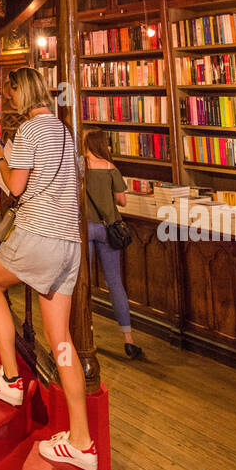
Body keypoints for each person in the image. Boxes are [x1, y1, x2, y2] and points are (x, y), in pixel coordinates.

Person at [0, 66, 97, 470]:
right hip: (69, 243)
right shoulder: (64, 131)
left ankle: (10, 379)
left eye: (10, 93)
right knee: (60, 339)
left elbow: (15, 188)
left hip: (38, 233)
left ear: (22, 92)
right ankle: (81, 440)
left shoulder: (29, 131)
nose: (8, 100)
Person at [85, 128, 143, 360]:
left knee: (83, 282)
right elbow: (122, 201)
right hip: (108, 229)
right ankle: (128, 339)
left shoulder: (79, 168)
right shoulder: (110, 168)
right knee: (115, 282)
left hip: (84, 228)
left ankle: (85, 332)